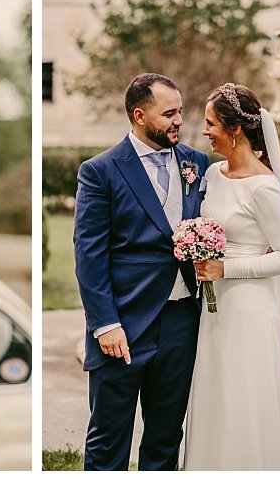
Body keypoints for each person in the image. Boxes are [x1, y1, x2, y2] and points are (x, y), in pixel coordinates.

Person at [74, 73, 210, 470]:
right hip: (124, 324)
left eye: (180, 112)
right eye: (169, 113)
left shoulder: (195, 163)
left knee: (166, 437)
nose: (178, 121)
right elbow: (89, 254)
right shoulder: (101, 171)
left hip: (182, 320)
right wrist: (104, 324)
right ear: (139, 115)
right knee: (109, 437)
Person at [183, 83, 280, 470]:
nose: (204, 131)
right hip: (214, 310)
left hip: (248, 310)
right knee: (216, 396)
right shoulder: (213, 174)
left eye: (211, 122)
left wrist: (225, 268)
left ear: (235, 130)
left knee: (242, 399)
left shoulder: (264, 187)